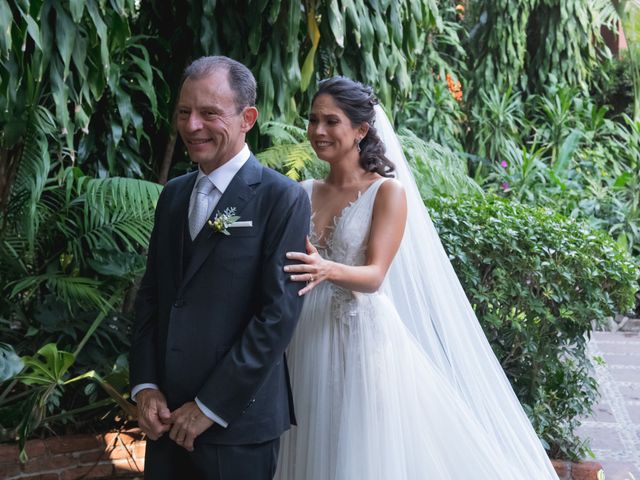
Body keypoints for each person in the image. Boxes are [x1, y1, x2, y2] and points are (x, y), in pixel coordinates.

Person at [275, 76, 560, 479]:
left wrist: (327, 269)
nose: (318, 131)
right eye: (313, 120)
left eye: (331, 121)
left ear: (360, 129)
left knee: (354, 448)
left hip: (356, 335)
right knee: (307, 440)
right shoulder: (302, 190)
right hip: (305, 333)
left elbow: (375, 275)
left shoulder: (387, 193)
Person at [129, 56, 311, 480]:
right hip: (166, 418)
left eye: (210, 113)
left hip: (236, 426)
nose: (192, 125)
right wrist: (146, 386)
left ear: (247, 117)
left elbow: (276, 316)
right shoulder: (173, 195)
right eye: (184, 112)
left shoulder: (281, 199)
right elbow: (153, 294)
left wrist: (209, 406)